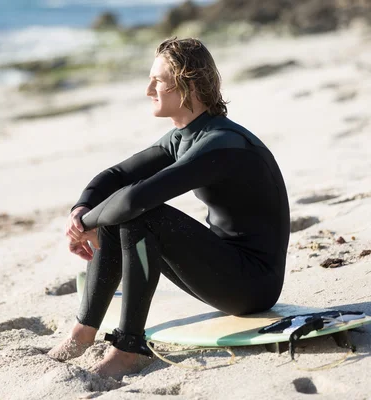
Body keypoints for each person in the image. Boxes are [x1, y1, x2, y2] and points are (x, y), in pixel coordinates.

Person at [48, 37, 290, 380]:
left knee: (140, 215)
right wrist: (81, 211)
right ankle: (82, 332)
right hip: (223, 271)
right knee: (115, 212)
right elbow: (118, 176)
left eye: (158, 80)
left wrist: (85, 223)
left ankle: (130, 348)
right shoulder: (185, 136)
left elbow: (135, 200)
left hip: (252, 283)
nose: (148, 89)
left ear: (187, 84)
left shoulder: (222, 144)